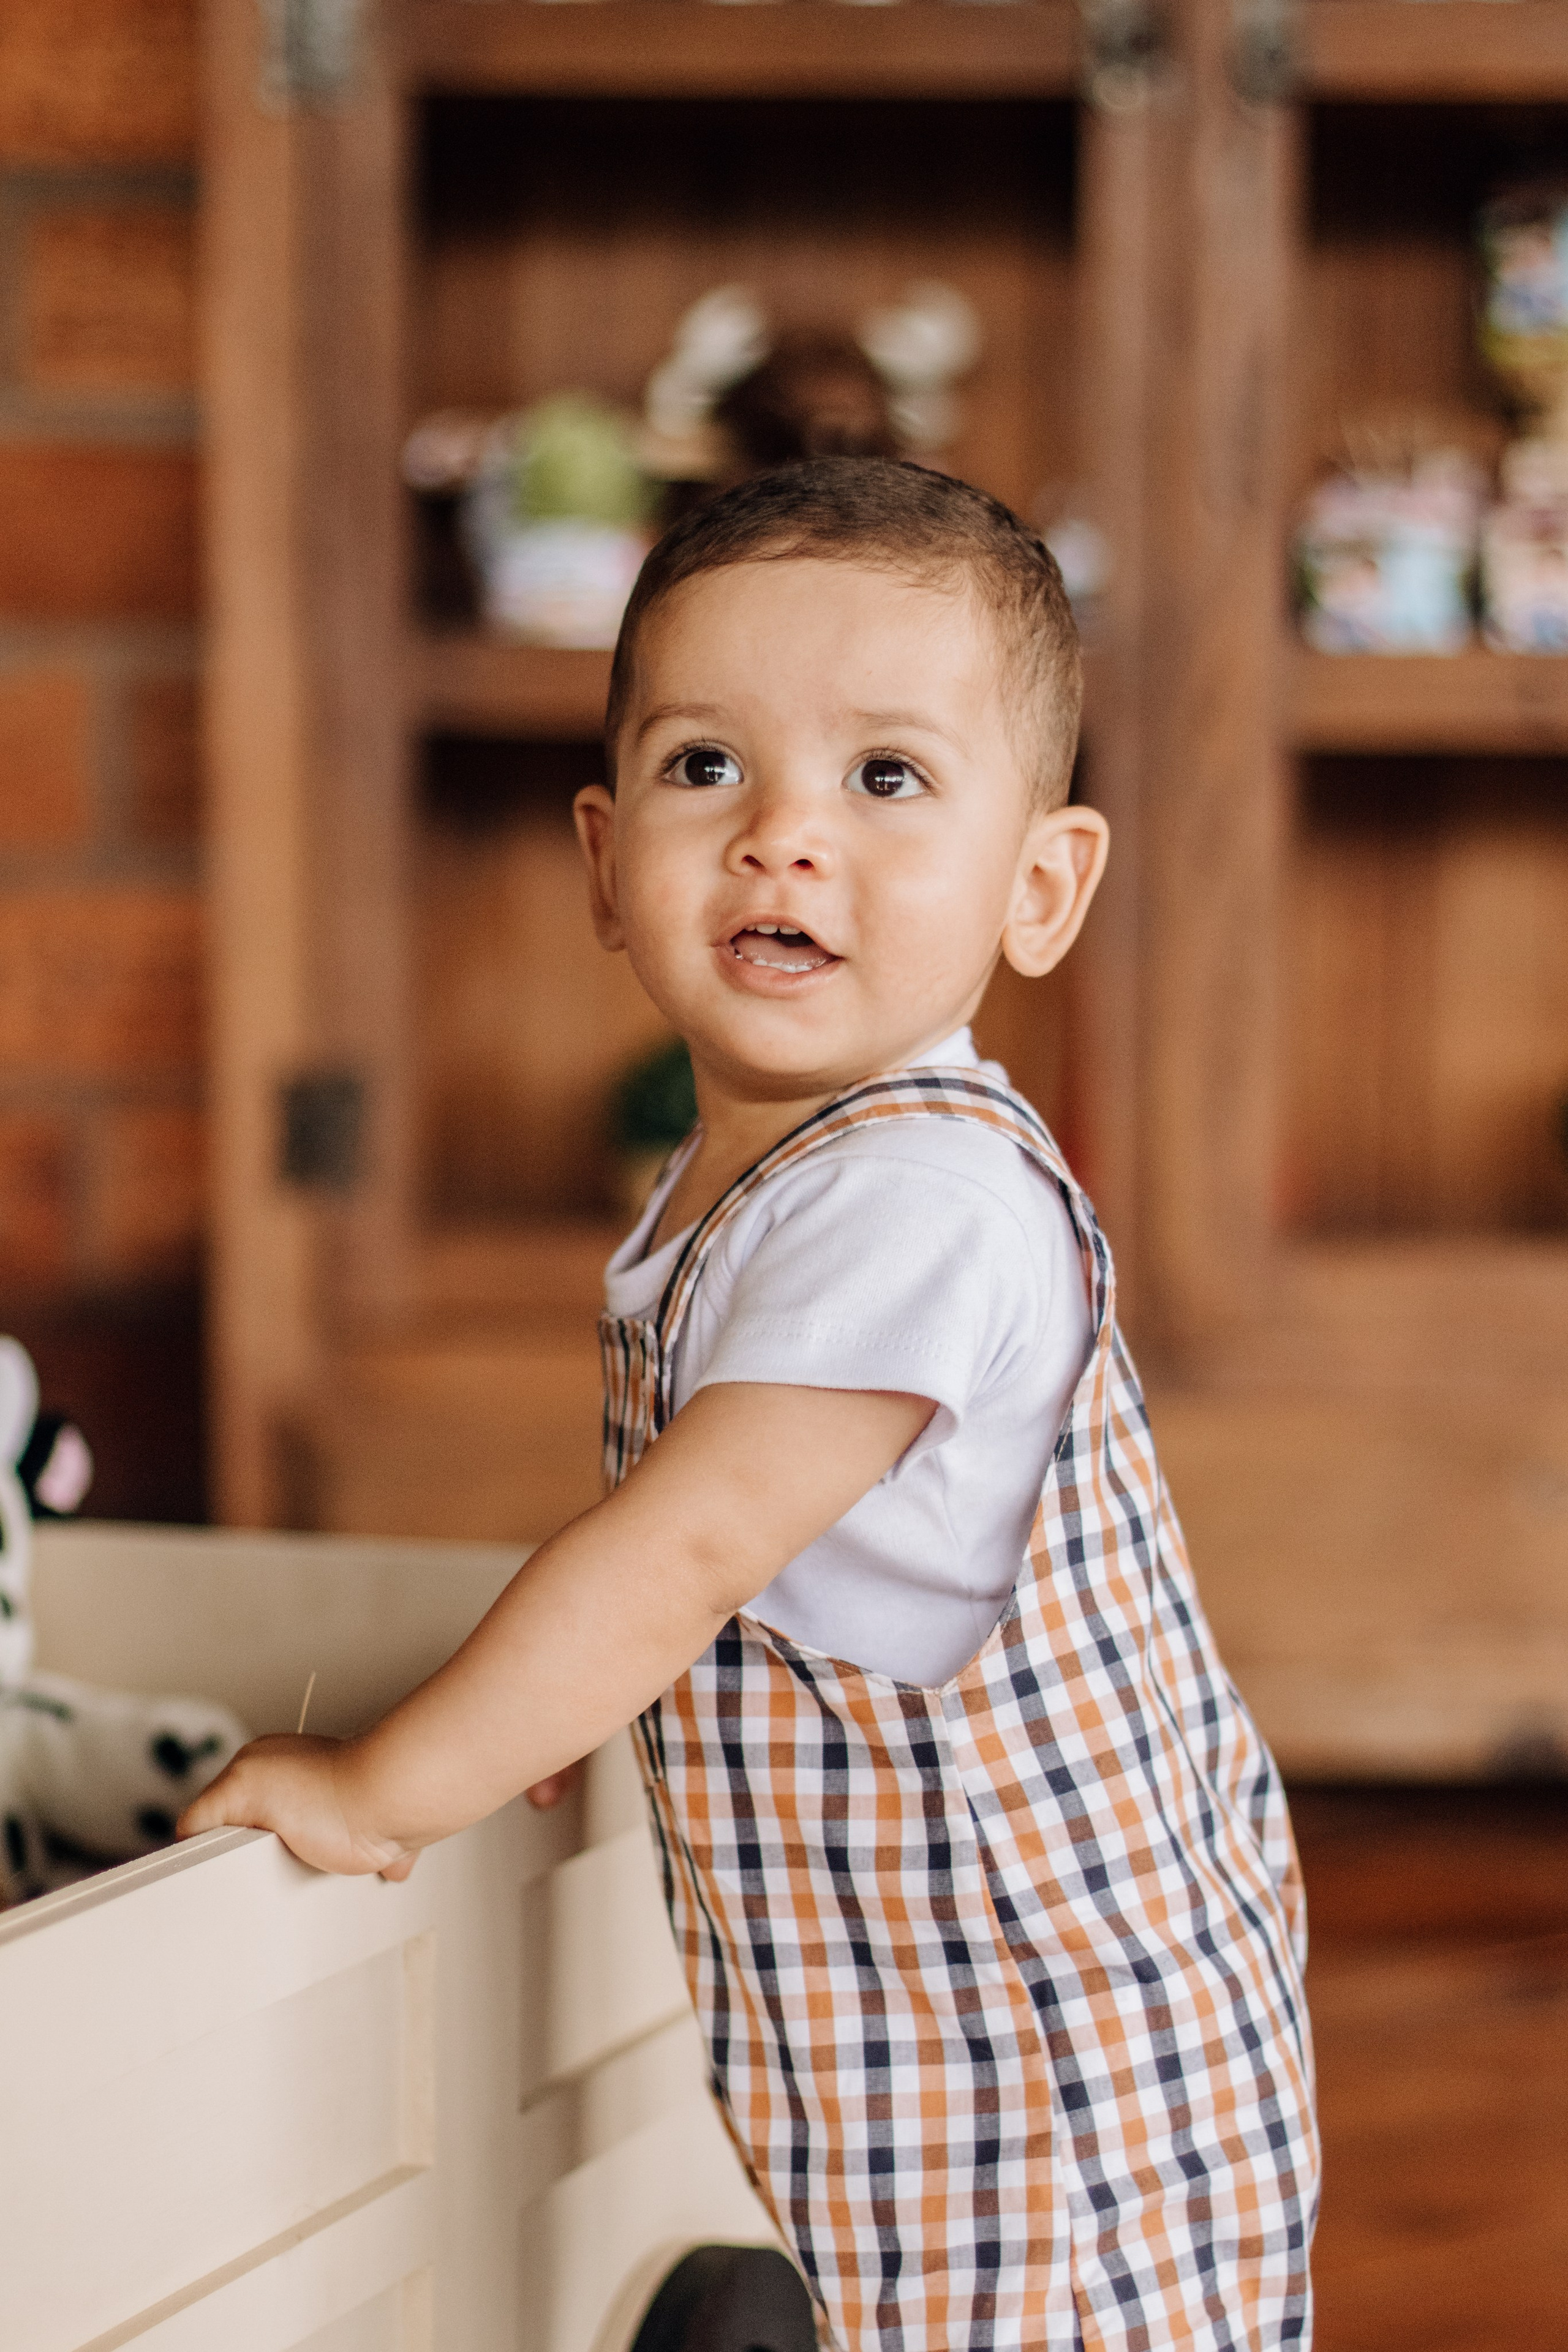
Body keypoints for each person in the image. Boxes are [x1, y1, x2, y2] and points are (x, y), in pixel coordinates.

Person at [182, 458, 1317, 2349]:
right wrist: (560, 1694)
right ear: (603, 859)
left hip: (1045, 2065)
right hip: (918, 2029)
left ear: (1040, 885)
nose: (786, 837)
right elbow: (726, 1571)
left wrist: (389, 1786)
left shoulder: (920, 1200)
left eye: (888, 778)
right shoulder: (773, 1172)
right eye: (709, 765)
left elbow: (686, 1550)